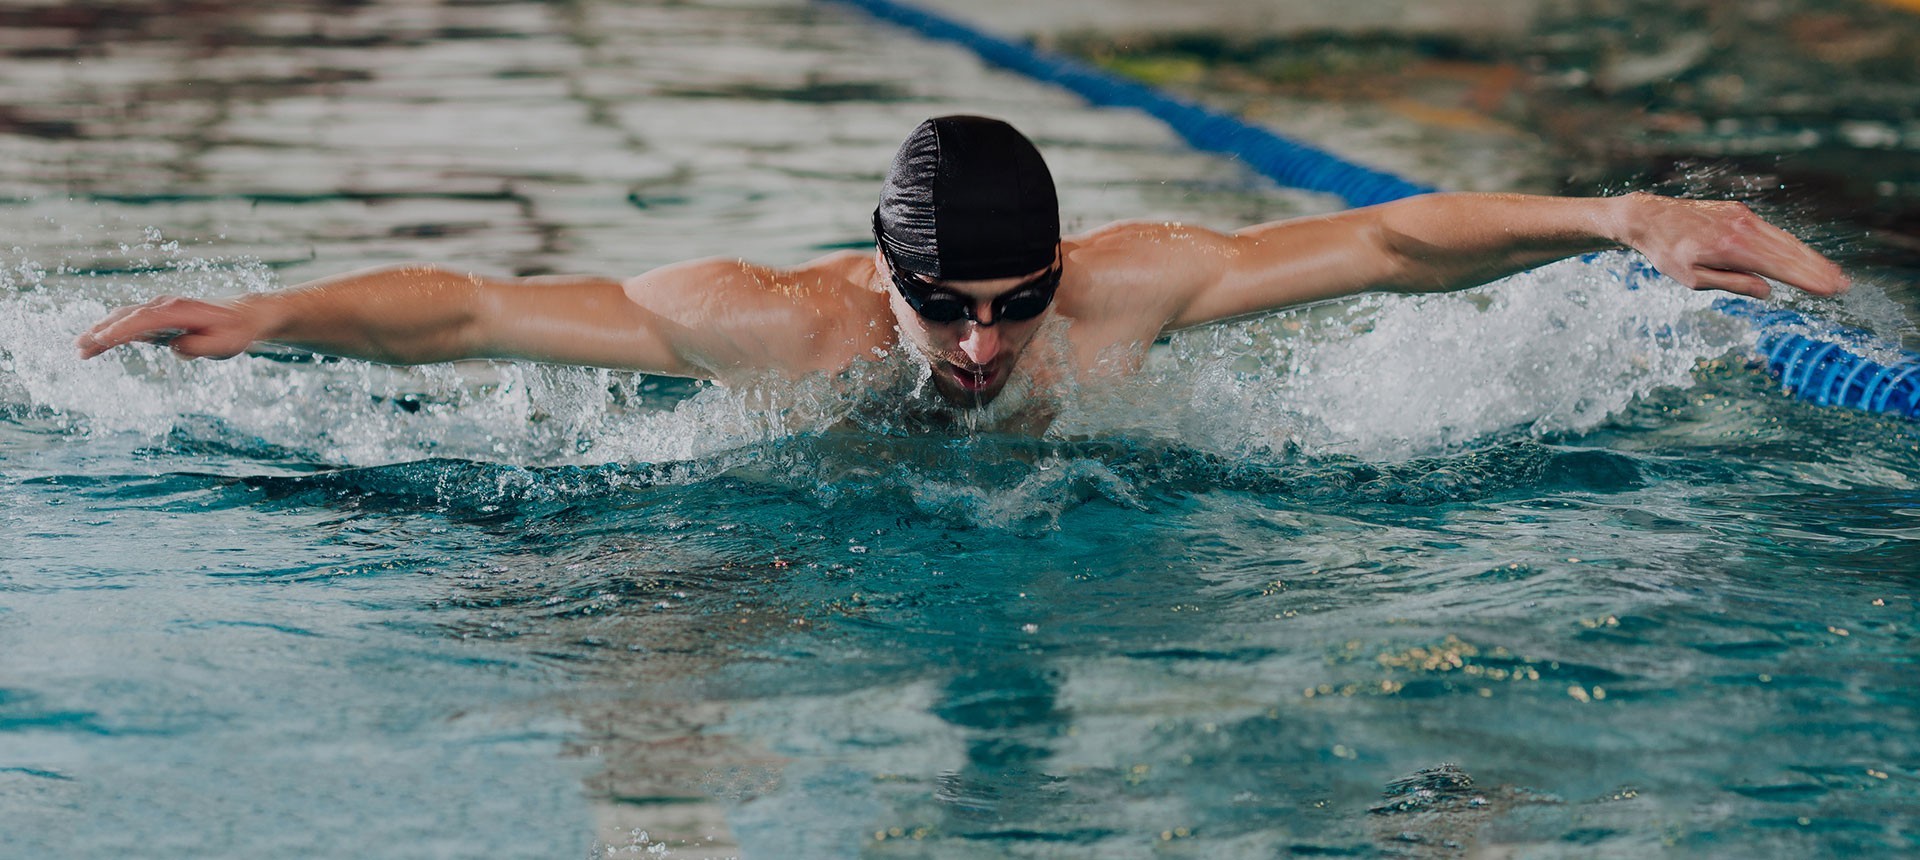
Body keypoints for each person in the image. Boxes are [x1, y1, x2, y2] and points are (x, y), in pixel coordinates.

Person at [77, 115, 1849, 428]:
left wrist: (1617, 221)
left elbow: (1386, 244)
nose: (987, 347)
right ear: (883, 271)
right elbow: (463, 311)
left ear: (1061, 264)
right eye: (950, 309)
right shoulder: (776, 326)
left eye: (1017, 304)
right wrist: (275, 314)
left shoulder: (1128, 288)